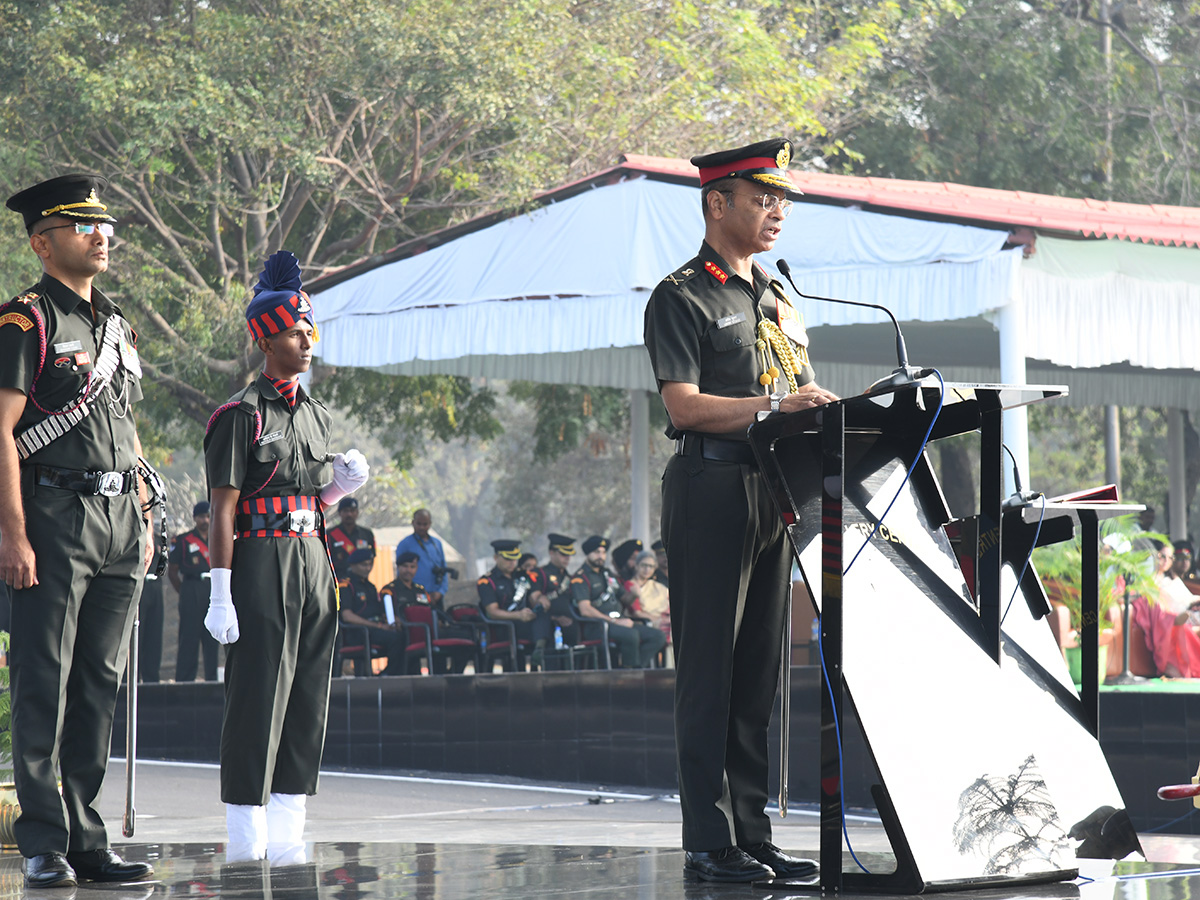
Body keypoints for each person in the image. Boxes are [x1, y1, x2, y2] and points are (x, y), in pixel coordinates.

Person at [643, 138, 837, 882]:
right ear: (716, 203)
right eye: (762, 198)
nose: (776, 211)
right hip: (710, 490)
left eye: (781, 199)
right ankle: (708, 840)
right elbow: (685, 406)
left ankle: (751, 833)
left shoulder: (780, 296)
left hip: (774, 492)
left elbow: (800, 390)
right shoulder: (682, 295)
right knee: (710, 672)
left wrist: (818, 410)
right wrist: (774, 406)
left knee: (758, 673)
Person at [0, 174, 155, 887]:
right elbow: (1, 432)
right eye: (81, 226)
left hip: (121, 520)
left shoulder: (116, 325)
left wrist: (144, 516)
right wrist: (13, 534)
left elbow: (121, 426)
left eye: (105, 225)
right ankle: (44, 841)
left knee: (99, 680)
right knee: (45, 680)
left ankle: (88, 840)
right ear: (43, 241)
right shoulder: (23, 322)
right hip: (52, 518)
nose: (101, 235)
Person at [202, 250, 369, 864]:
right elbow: (224, 508)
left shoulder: (317, 415)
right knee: (257, 697)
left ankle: (289, 829)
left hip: (312, 560)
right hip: (260, 565)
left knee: (306, 695)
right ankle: (246, 835)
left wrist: (340, 489)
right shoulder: (238, 416)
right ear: (265, 338)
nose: (307, 342)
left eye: (309, 331)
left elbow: (309, 499)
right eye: (296, 332)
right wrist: (220, 591)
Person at [570, 536, 666, 669]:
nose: (601, 556)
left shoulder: (607, 574)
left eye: (603, 553)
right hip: (597, 626)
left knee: (658, 636)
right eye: (597, 552)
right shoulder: (581, 578)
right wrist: (613, 621)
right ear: (588, 554)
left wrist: (634, 594)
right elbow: (585, 610)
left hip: (619, 622)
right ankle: (628, 673)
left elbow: (624, 599)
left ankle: (636, 670)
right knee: (631, 635)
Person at [382, 550, 473, 674]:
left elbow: (432, 610)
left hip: (432, 632)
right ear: (398, 567)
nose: (408, 570)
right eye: (405, 566)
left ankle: (452, 675)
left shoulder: (421, 591)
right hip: (410, 633)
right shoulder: (389, 590)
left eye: (412, 567)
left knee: (466, 637)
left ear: (417, 568)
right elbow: (388, 617)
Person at [477, 539, 552, 667]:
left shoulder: (524, 576)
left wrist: (541, 600)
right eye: (508, 559)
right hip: (504, 626)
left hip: (526, 621)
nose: (512, 563)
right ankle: (538, 652)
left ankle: (541, 655)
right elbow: (492, 612)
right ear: (496, 558)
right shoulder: (487, 582)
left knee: (545, 619)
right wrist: (518, 615)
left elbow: (534, 596)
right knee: (539, 630)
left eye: (515, 558)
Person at [168, 500, 219, 682]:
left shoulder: (218, 539)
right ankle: (184, 680)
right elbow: (172, 570)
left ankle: (212, 679)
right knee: (189, 637)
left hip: (212, 588)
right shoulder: (183, 540)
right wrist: (184, 592)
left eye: (207, 516)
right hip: (191, 587)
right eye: (201, 517)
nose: (205, 520)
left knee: (212, 637)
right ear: (195, 518)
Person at [1133, 540, 1200, 677]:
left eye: (1170, 558)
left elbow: (1187, 598)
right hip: (1170, 614)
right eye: (1162, 556)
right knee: (1182, 628)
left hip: (1186, 611)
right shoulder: (1147, 579)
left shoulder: (1172, 579)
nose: (1166, 561)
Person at [339, 548, 405, 676]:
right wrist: (379, 626)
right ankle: (387, 675)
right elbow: (347, 616)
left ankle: (395, 674)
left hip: (374, 630)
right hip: (357, 632)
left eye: (370, 564)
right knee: (395, 639)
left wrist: (391, 620)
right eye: (364, 564)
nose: (368, 568)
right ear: (352, 565)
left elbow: (378, 611)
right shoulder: (346, 585)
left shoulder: (370, 586)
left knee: (402, 633)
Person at [394, 508, 451, 608]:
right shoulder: (405, 544)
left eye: (425, 524)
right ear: (413, 523)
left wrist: (440, 591)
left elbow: (443, 568)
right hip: (414, 595)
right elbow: (400, 571)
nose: (421, 527)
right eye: (418, 524)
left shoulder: (437, 543)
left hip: (436, 595)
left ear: (430, 524)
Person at [538, 533, 581, 645]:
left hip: (573, 623)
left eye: (569, 554)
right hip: (550, 626)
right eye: (563, 554)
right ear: (551, 552)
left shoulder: (569, 577)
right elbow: (535, 603)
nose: (567, 558)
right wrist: (555, 618)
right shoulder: (541, 574)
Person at [628, 550, 671, 649]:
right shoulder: (631, 585)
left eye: (651, 566)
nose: (647, 569)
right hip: (645, 622)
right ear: (637, 565)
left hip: (664, 619)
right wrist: (660, 620)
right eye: (644, 565)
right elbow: (636, 613)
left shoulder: (657, 586)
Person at [328, 497, 376, 578]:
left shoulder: (367, 534)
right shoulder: (330, 534)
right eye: (346, 511)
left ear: (357, 513)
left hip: (361, 580)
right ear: (340, 513)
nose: (349, 514)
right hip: (338, 580)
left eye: (352, 510)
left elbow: (372, 557)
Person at [139, 555, 165, 684]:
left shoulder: (160, 539)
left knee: (154, 636)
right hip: (139, 585)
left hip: (155, 585)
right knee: (138, 635)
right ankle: (132, 678)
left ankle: (152, 679)